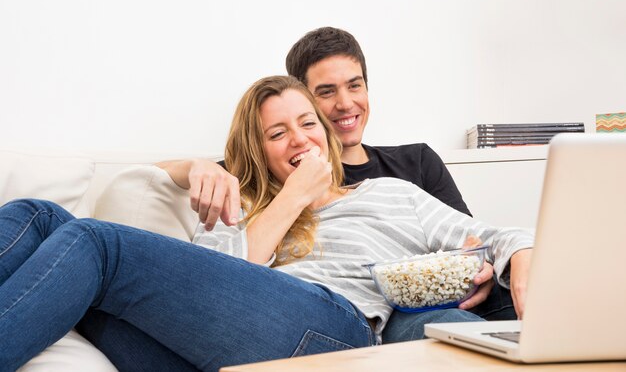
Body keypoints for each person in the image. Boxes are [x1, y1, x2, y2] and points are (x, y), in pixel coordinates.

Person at [0, 76, 533, 372]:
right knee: (37, 215)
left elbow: (498, 235)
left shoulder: (392, 193)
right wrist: (283, 197)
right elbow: (222, 284)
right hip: (214, 349)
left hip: (335, 332)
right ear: (258, 152)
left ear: (326, 133)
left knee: (97, 243)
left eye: (307, 124)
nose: (299, 139)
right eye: (278, 134)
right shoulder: (240, 205)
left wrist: (522, 256)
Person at [165, 28, 514, 342]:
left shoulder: (410, 169)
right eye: (327, 91)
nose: (345, 103)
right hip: (353, 318)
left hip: (430, 303)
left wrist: (483, 261)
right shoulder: (262, 179)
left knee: (502, 292)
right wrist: (193, 166)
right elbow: (156, 185)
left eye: (354, 85)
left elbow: (475, 240)